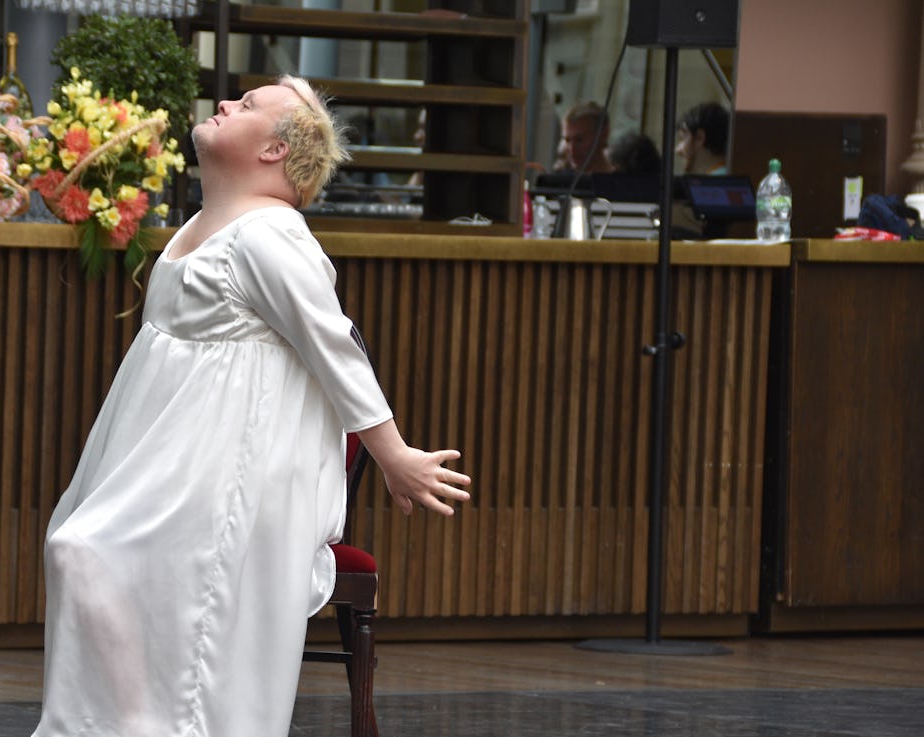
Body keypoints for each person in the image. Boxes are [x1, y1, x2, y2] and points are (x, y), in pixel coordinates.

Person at [32, 76, 472, 737]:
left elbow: (336, 347)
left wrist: (393, 454)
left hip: (227, 467)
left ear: (273, 149)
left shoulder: (270, 235)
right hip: (165, 453)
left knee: (87, 550)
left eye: (247, 105)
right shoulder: (202, 226)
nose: (226, 104)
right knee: (80, 552)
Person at [554, 100, 612, 174]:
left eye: (579, 140)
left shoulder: (622, 182)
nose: (572, 149)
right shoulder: (561, 179)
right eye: (567, 140)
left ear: (604, 135)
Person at [675, 102, 730, 175]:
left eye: (682, 139)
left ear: (699, 138)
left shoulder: (713, 183)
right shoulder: (730, 178)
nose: (677, 149)